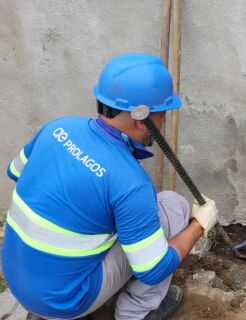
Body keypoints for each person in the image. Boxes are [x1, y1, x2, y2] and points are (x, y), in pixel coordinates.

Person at [2, 53, 218, 320]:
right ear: (142, 118)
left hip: (17, 279)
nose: (163, 124)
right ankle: (135, 313)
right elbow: (154, 269)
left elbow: (14, 172)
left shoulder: (57, 128)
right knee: (172, 206)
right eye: (163, 115)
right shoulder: (130, 184)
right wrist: (199, 224)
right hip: (68, 301)